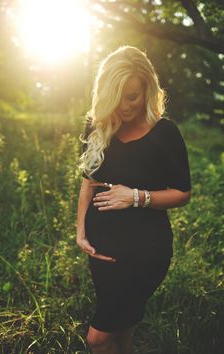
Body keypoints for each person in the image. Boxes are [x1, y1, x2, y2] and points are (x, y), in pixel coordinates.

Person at [76, 45, 191, 354]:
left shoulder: (164, 133)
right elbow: (89, 182)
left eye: (132, 97)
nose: (125, 106)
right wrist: (81, 232)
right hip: (102, 254)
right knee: (121, 329)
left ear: (147, 91)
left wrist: (137, 197)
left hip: (145, 253)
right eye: (117, 97)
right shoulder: (97, 125)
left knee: (98, 339)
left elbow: (183, 193)